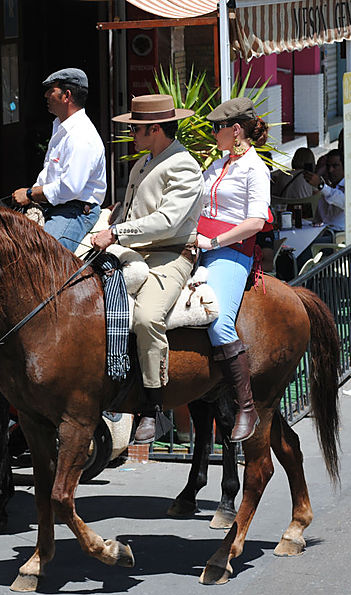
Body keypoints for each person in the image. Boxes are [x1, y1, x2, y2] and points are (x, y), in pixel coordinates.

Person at [90, 94, 202, 444]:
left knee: (146, 317)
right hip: (130, 252)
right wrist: (109, 221)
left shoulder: (184, 165)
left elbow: (168, 222)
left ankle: (152, 408)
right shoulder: (143, 163)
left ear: (155, 129)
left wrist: (117, 232)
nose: (132, 134)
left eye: (136, 129)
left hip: (171, 254)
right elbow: (134, 214)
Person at [195, 97, 271, 442]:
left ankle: (245, 405)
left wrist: (214, 242)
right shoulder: (218, 163)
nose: (212, 133)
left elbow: (255, 221)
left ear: (235, 130)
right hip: (197, 244)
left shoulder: (255, 169)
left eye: (216, 128)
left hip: (231, 252)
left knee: (219, 321)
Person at [12, 68, 105, 251]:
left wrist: (30, 194)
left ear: (66, 96)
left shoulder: (80, 136)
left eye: (51, 90)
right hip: (56, 205)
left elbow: (70, 188)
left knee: (45, 253)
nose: (46, 95)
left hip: (75, 211)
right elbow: (49, 176)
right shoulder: (61, 128)